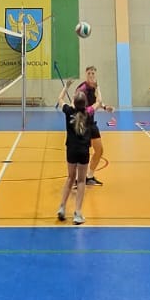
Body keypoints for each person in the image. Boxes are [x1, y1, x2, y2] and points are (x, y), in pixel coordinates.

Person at [55, 81, 94, 226]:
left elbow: (60, 100)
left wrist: (66, 87)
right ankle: (77, 213)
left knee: (70, 177)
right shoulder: (88, 113)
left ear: (74, 102)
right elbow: (99, 102)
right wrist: (98, 88)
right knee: (81, 181)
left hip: (71, 150)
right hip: (83, 151)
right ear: (85, 104)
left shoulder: (69, 112)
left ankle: (62, 207)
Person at [74, 66, 114, 186]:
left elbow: (97, 101)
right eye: (89, 73)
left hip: (91, 123)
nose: (91, 75)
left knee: (99, 150)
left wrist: (105, 107)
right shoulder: (82, 89)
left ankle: (89, 177)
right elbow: (77, 106)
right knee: (83, 153)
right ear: (85, 75)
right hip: (83, 124)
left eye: (93, 73)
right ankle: (77, 179)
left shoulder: (94, 87)